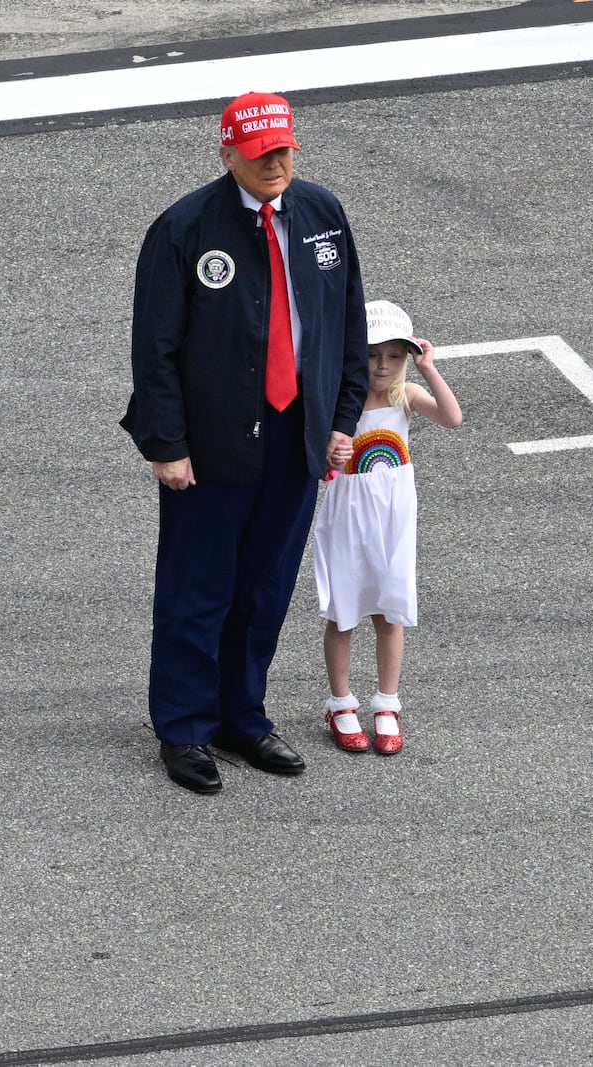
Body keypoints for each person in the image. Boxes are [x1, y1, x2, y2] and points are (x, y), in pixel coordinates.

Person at [121, 91, 370, 794]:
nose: (276, 163)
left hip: (297, 436)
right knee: (197, 591)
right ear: (227, 154)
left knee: (263, 589)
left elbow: (346, 322)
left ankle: (242, 715)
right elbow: (155, 348)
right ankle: (185, 726)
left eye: (285, 149)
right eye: (262, 154)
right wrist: (166, 444)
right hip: (211, 443)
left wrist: (341, 419)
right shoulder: (184, 228)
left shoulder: (323, 215)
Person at [312, 299, 462, 756]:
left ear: (407, 358)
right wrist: (329, 458)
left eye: (394, 356)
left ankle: (386, 704)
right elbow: (321, 462)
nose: (382, 365)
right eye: (373, 354)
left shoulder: (407, 397)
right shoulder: (340, 401)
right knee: (345, 610)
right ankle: (341, 703)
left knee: (389, 610)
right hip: (349, 515)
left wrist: (429, 368)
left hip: (393, 519)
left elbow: (453, 417)